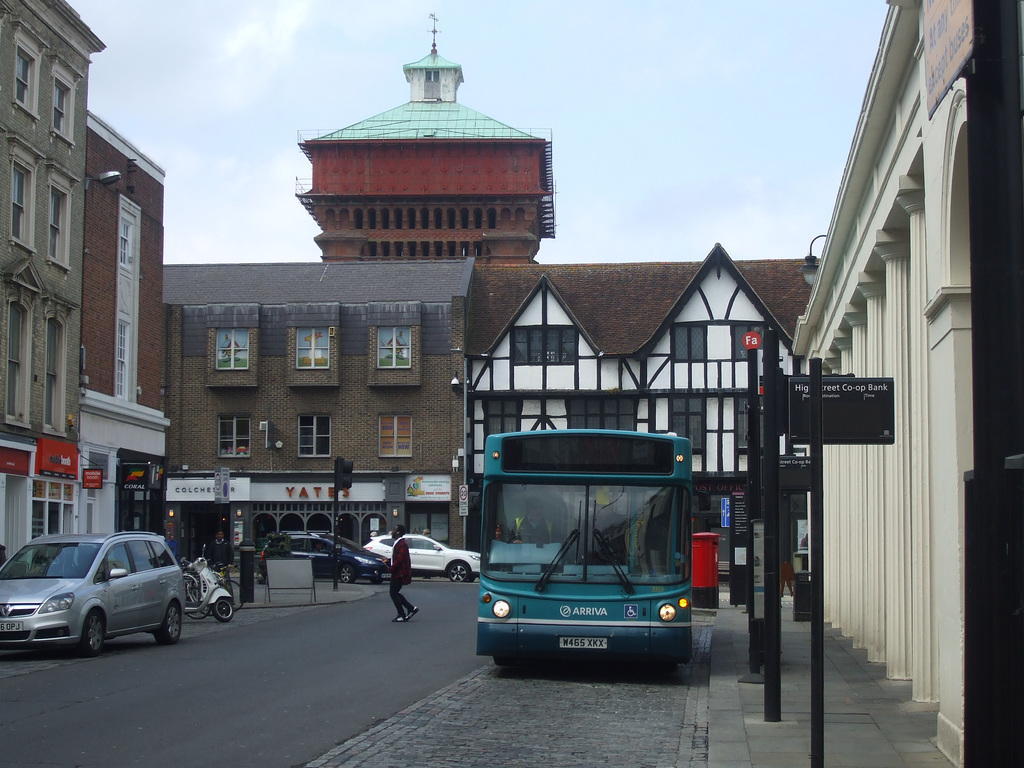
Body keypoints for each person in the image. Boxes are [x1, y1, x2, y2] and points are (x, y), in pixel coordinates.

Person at [389, 525, 418, 622]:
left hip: (399, 573)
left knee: (393, 593)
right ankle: (411, 608)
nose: (392, 531)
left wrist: (392, 568)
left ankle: (402, 614)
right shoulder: (398, 543)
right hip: (397, 572)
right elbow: (396, 558)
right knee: (395, 593)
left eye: (394, 529)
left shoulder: (402, 544)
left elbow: (400, 559)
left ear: (398, 532)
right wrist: (388, 561)